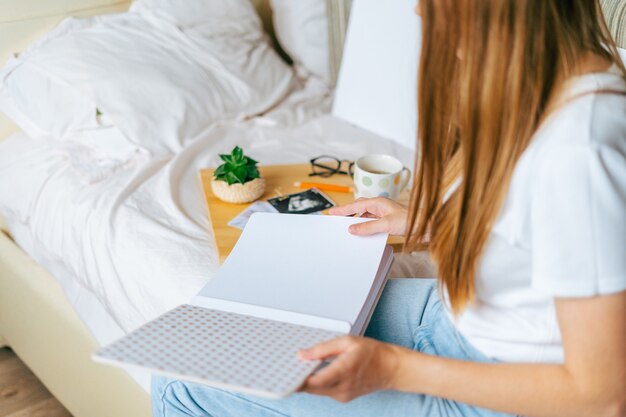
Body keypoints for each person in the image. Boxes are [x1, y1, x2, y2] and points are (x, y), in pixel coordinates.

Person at [152, 0, 626, 416]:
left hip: (499, 393)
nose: (419, 12)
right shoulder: (561, 81)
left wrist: (393, 369)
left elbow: (602, 396)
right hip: (455, 322)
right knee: (209, 337)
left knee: (179, 384)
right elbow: (538, 231)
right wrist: (434, 224)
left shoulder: (580, 152)